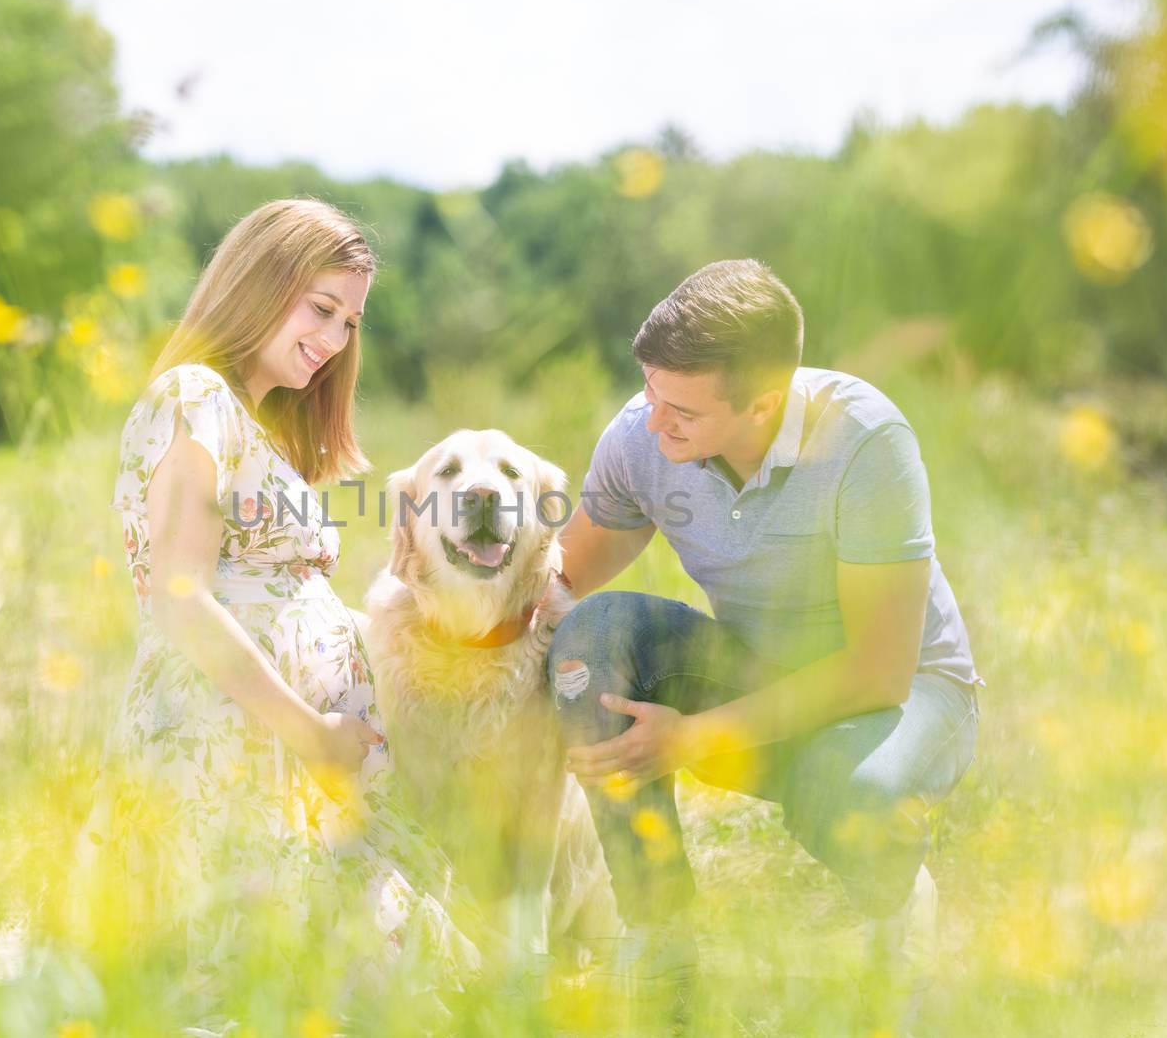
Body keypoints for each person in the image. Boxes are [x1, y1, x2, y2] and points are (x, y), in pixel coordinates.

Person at [74, 199, 483, 1026]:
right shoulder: (195, 396)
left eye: (350, 322)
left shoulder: (258, 424)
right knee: (259, 981)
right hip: (237, 742)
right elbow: (182, 597)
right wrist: (309, 730)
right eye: (321, 309)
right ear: (259, 283)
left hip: (292, 752)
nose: (334, 341)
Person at [547, 259, 982, 1020]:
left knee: (856, 793)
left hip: (905, 693)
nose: (654, 422)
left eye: (681, 408)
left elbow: (880, 672)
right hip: (759, 672)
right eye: (649, 391)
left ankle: (896, 902)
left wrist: (696, 737)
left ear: (764, 405)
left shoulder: (865, 441)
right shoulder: (641, 436)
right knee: (592, 638)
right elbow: (558, 584)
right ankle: (662, 938)